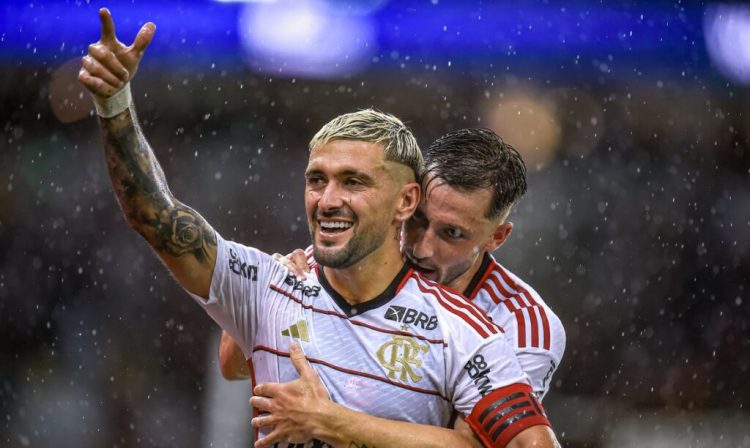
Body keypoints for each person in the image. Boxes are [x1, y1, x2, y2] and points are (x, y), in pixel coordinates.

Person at [79, 8, 559, 448]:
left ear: (403, 199)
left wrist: (334, 423)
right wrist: (115, 102)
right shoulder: (275, 280)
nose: (329, 200)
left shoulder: (481, 329)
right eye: (317, 180)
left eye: (353, 182)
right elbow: (155, 216)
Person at [222, 128, 566, 400]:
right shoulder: (347, 262)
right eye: (417, 220)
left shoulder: (523, 325)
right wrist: (270, 297)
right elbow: (232, 366)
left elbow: (489, 443)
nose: (422, 247)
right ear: (406, 200)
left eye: (452, 233)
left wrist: (332, 421)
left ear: (497, 237)